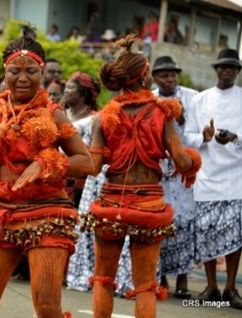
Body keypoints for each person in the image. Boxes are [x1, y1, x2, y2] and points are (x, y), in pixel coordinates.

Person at [0, 25, 94, 317]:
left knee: (45, 305)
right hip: (1, 214)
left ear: (42, 74)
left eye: (31, 70)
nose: (22, 78)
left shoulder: (53, 113)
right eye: (15, 71)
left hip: (46, 213)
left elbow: (85, 162)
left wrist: (45, 163)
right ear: (4, 73)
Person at [83, 34, 201, 318]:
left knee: (103, 278)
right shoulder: (162, 112)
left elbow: (93, 166)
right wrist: (194, 161)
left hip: (110, 205)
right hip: (148, 207)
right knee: (145, 284)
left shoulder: (104, 117)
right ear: (144, 75)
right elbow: (182, 161)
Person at [184, 48, 242, 309]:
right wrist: (205, 137)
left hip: (236, 177)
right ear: (215, 69)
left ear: (238, 72)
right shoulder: (200, 100)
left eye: (233, 67)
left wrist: (235, 138)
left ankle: (230, 287)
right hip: (207, 176)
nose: (227, 71)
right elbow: (188, 135)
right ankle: (211, 287)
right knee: (206, 231)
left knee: (235, 235)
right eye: (223, 67)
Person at [151, 55, 198, 299]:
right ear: (155, 78)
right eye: (164, 75)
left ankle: (182, 279)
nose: (169, 79)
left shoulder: (190, 97)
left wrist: (183, 118)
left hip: (183, 167)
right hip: (158, 168)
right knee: (161, 221)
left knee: (184, 221)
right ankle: (160, 279)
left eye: (172, 74)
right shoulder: (150, 98)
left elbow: (197, 130)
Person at [62, 72, 100, 207]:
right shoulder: (59, 115)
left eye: (70, 88)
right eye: (65, 87)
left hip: (82, 183)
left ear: (83, 92)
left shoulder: (94, 119)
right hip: (58, 179)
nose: (65, 91)